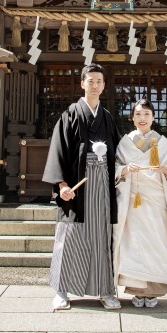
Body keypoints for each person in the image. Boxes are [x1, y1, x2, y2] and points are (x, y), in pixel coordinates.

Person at [42, 63, 122, 311]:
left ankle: (105, 290)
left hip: (102, 184)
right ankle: (62, 291)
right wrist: (62, 184)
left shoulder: (107, 118)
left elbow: (119, 152)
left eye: (99, 81)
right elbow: (59, 150)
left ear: (104, 85)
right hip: (76, 186)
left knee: (101, 238)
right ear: (82, 83)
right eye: (91, 81)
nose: (95, 85)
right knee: (70, 237)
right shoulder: (70, 115)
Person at [113, 99, 167, 308]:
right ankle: (135, 289)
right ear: (132, 117)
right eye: (138, 114)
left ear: (153, 117)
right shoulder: (125, 142)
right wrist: (125, 169)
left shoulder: (162, 142)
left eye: (146, 114)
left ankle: (153, 290)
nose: (142, 118)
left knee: (156, 243)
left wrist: (165, 170)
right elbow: (115, 168)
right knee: (133, 244)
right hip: (132, 201)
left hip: (156, 201)